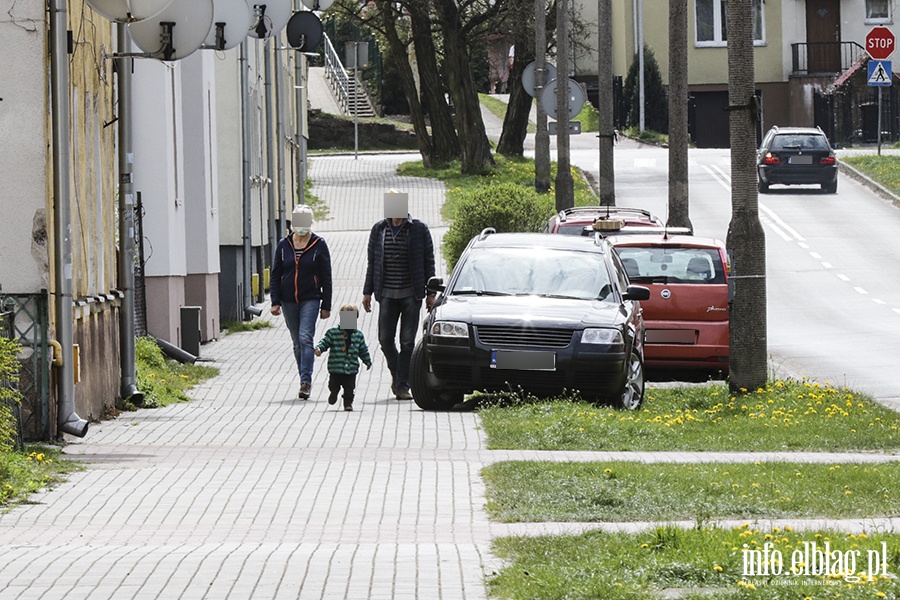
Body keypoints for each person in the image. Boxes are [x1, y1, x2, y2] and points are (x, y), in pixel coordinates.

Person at [362, 192, 436, 400]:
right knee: (385, 339)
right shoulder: (379, 229)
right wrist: (367, 291)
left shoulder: (419, 229)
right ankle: (398, 374)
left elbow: (428, 261)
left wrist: (431, 293)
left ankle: (403, 385)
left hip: (411, 294)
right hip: (386, 293)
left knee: (407, 342)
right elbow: (372, 262)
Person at [270, 204, 332, 399]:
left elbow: (326, 276)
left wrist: (326, 305)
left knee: (306, 338)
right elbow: (276, 274)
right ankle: (302, 377)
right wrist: (275, 301)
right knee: (297, 342)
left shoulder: (319, 244)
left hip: (311, 298)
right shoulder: (283, 245)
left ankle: (306, 381)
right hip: (288, 300)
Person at [314, 304, 372, 411]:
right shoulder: (333, 332)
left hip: (351, 369)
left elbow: (363, 350)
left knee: (350, 388)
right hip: (335, 367)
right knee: (333, 384)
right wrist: (319, 349)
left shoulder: (358, 335)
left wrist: (367, 361)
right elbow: (325, 342)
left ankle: (348, 403)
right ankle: (334, 392)